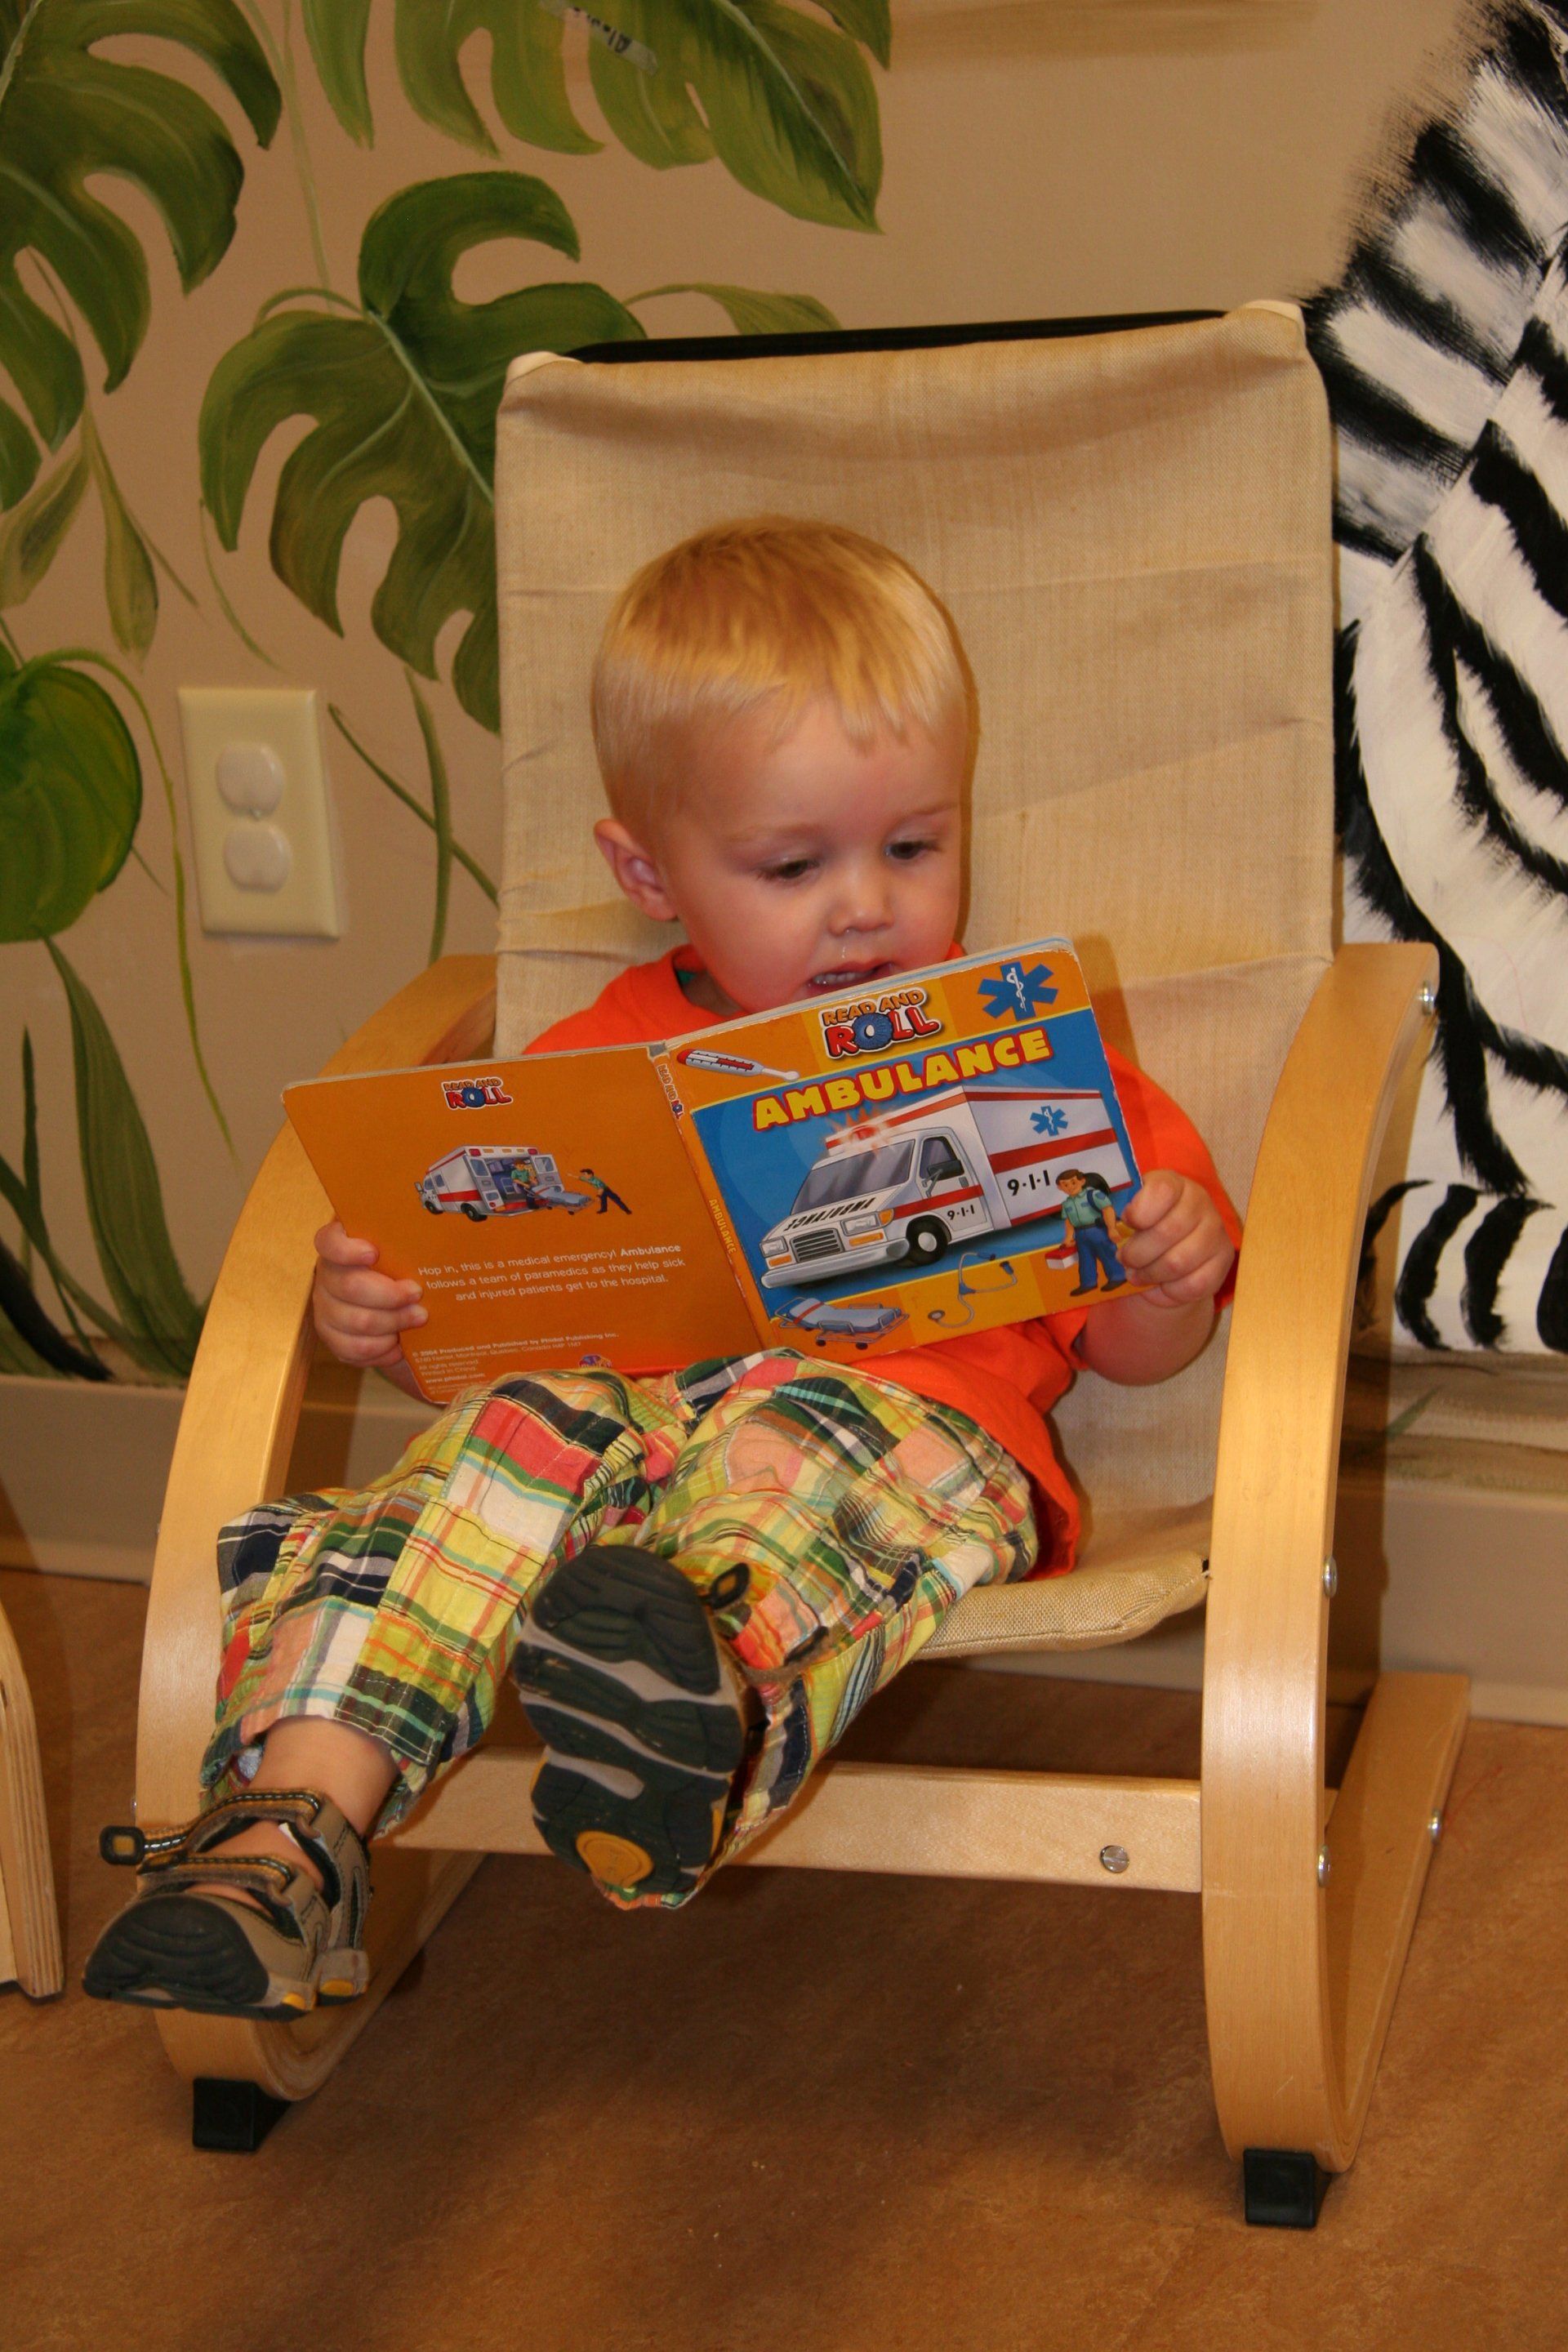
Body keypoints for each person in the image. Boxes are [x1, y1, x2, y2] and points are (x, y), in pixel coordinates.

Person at [84, 519, 1238, 2020]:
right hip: (616, 1425)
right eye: (793, 864)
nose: (865, 904)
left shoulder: (1011, 1057)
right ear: (648, 870)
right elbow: (492, 1340)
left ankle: (685, 1705)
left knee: (795, 1462)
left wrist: (1162, 1271)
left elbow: (1135, 1351)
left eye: (913, 847)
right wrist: (390, 1321)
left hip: (906, 1417)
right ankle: (286, 1834)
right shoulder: (586, 1068)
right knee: (494, 1452)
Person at [1057, 1168, 1129, 1295]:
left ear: (1082, 1181)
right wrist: (1068, 1237)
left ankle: (1118, 1276)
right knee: (1085, 1259)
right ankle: (1088, 1283)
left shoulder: (1093, 1195)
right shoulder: (1066, 1204)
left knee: (1107, 1253)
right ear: (1060, 1188)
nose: (1070, 1187)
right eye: (1065, 1185)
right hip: (1080, 1234)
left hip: (1097, 1230)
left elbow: (1107, 1210)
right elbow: (1069, 1221)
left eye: (1073, 1182)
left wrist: (1112, 1229)